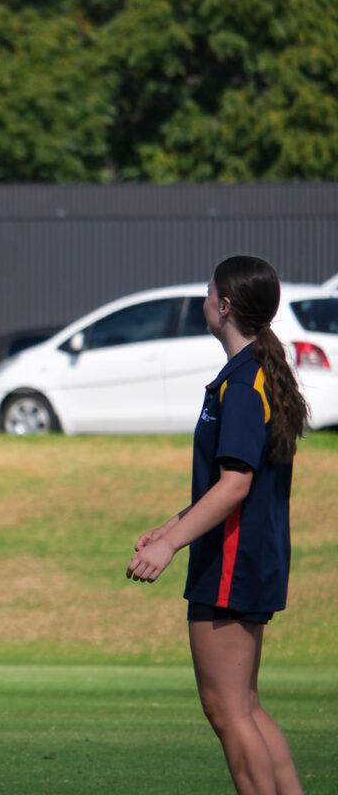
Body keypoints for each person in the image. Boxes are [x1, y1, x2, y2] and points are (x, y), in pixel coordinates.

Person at [126, 254, 307, 795]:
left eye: (209, 293)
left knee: (228, 711)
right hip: (245, 557)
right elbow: (223, 484)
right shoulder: (248, 374)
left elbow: (235, 485)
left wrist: (171, 547)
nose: (205, 301)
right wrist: (169, 527)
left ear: (224, 306)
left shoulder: (246, 380)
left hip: (232, 562)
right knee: (245, 706)